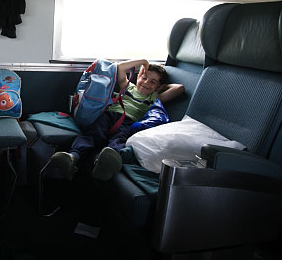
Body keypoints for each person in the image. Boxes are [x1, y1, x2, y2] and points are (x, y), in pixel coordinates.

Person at [49, 59, 184, 181]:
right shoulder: (128, 86)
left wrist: (161, 88)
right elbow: (119, 68)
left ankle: (107, 161)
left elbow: (179, 89)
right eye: (144, 77)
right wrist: (142, 61)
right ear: (139, 76)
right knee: (92, 134)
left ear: (158, 87)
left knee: (120, 139)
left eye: (153, 82)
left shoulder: (154, 97)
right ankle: (72, 157)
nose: (146, 83)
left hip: (128, 122)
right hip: (108, 116)